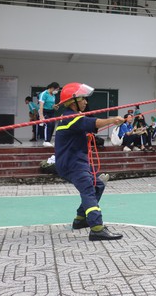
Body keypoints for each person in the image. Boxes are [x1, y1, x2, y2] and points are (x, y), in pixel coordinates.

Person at [54, 82, 125, 241]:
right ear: (73, 102)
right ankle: (97, 228)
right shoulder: (70, 117)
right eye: (83, 99)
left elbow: (89, 125)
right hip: (72, 163)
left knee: (97, 184)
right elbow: (93, 123)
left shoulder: (71, 117)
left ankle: (81, 220)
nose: (86, 102)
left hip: (76, 161)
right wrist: (113, 120)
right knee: (88, 189)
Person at [38, 82, 60, 147]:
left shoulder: (53, 95)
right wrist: (41, 116)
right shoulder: (44, 94)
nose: (57, 91)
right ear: (52, 88)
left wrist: (55, 106)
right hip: (44, 112)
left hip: (51, 112)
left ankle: (49, 141)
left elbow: (52, 105)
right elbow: (41, 105)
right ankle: (46, 141)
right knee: (48, 124)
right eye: (56, 90)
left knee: (53, 125)